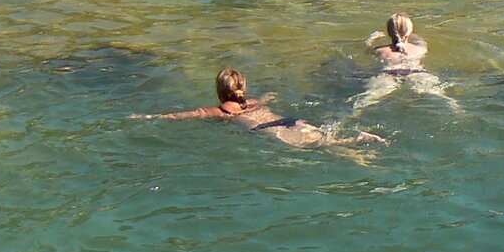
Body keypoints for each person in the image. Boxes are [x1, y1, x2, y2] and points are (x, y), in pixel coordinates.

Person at [135, 69, 384, 148]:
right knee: (328, 142)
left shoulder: (223, 112)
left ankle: (359, 140)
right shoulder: (254, 103)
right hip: (292, 122)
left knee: (324, 146)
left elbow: (187, 115)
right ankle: (359, 151)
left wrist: (150, 116)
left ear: (221, 92)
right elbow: (269, 97)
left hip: (280, 133)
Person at [356, 12, 459, 112]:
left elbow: (366, 49)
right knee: (439, 94)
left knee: (368, 98)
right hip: (416, 73)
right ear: (409, 31)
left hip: (388, 74)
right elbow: (421, 41)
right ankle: (456, 108)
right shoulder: (420, 49)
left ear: (389, 32)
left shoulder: (379, 50)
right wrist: (412, 35)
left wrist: (370, 39)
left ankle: (350, 115)